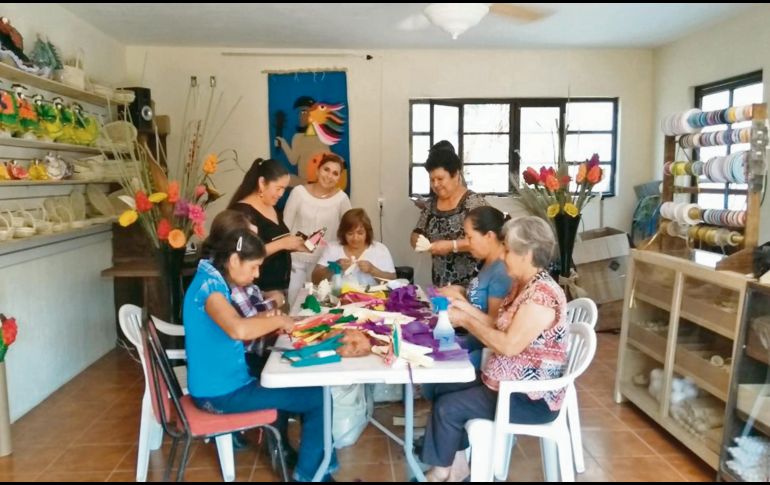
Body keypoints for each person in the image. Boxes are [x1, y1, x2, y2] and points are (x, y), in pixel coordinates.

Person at [184, 210, 336, 482]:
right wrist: (283, 322)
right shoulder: (211, 289)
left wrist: (272, 317)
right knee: (318, 396)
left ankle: (317, 462)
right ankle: (310, 475)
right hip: (219, 395)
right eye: (253, 267)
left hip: (224, 385)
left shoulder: (212, 277)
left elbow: (242, 322)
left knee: (296, 377)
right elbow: (239, 329)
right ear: (233, 260)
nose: (256, 276)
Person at [419, 216, 568, 482]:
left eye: (509, 251)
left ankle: (440, 472)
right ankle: (455, 465)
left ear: (528, 254)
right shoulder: (523, 285)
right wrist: (464, 308)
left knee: (449, 407)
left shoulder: (541, 295)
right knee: (444, 387)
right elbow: (498, 325)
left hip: (528, 398)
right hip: (504, 382)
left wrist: (465, 320)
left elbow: (508, 345)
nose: (504, 257)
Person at [435, 206, 514, 371]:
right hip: (473, 341)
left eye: (470, 237)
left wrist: (462, 305)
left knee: (434, 374)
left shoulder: (501, 271)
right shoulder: (486, 263)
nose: (467, 242)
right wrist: (460, 291)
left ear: (489, 236)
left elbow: (494, 323)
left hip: (485, 351)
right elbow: (480, 298)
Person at [411, 140, 487, 287]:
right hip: (442, 286)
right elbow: (417, 232)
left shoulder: (473, 203)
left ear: (456, 175)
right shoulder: (432, 205)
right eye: (432, 180)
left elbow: (488, 240)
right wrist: (419, 242)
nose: (435, 185)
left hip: (473, 287)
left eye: (440, 179)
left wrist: (452, 245)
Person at [228, 158, 307, 300]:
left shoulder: (271, 206)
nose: (281, 194)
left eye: (284, 189)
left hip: (279, 290)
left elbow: (271, 241)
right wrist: (283, 243)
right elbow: (244, 255)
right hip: (258, 292)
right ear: (262, 183)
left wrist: (293, 245)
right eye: (278, 188)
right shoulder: (243, 212)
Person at [284, 153, 351, 306]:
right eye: (326, 170)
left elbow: (348, 230)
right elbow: (285, 228)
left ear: (339, 177)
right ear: (317, 171)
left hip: (325, 266)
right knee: (296, 306)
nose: (329, 176)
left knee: (322, 309)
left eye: (335, 173)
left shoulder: (342, 199)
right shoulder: (298, 193)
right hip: (297, 263)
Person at [312, 208, 396, 287]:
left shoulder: (380, 249)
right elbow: (315, 279)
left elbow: (393, 281)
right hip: (337, 299)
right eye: (350, 233)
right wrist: (334, 267)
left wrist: (372, 270)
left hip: (372, 300)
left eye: (360, 233)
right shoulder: (333, 248)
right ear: (343, 233)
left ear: (367, 232)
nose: (355, 238)